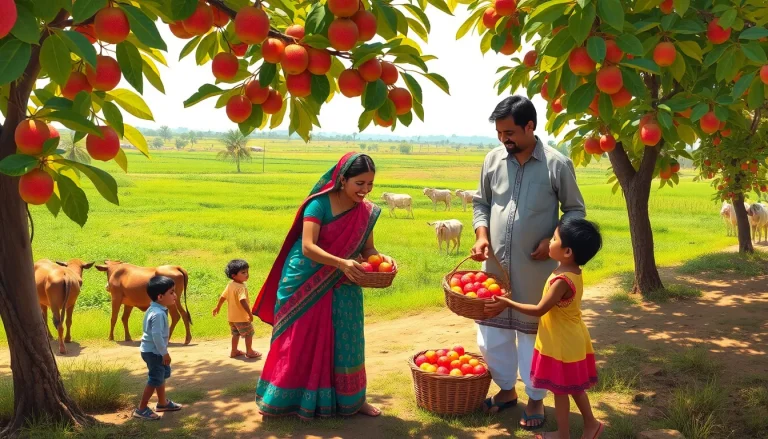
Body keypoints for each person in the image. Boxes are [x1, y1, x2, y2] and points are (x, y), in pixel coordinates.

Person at [471, 95, 586, 429]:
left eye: (509, 132)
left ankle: (535, 398)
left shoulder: (556, 164)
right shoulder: (492, 160)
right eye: (499, 132)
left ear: (530, 126)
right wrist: (481, 235)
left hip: (536, 271)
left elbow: (576, 211)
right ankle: (506, 391)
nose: (503, 139)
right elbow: (481, 203)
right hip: (493, 270)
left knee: (533, 339)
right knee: (491, 337)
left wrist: (551, 237)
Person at [252, 152, 392, 419]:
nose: (365, 190)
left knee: (348, 340)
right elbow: (308, 247)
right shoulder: (317, 206)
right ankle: (284, 399)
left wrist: (381, 259)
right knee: (299, 340)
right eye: (359, 183)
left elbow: (368, 248)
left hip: (345, 280)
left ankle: (353, 400)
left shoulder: (366, 212)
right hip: (305, 279)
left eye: (370, 184)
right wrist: (341, 263)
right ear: (342, 179)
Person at [484, 218, 604, 439]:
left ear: (567, 251)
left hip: (562, 342)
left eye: (555, 239)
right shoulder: (570, 270)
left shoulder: (562, 280)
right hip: (569, 338)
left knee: (561, 391)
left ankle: (564, 434)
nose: (550, 242)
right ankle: (590, 424)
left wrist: (507, 302)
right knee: (574, 387)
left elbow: (539, 309)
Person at [133, 275, 183, 420]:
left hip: (154, 351)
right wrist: (164, 353)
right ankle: (141, 408)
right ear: (160, 296)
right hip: (154, 353)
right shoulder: (158, 314)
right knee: (155, 379)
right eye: (172, 292)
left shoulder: (155, 309)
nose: (175, 295)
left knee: (161, 376)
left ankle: (162, 403)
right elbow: (156, 336)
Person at [212, 259, 262, 359]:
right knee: (249, 333)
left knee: (235, 334)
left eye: (247, 271)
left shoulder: (230, 285)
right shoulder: (240, 287)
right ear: (234, 275)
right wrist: (249, 313)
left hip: (232, 317)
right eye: (243, 272)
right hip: (242, 317)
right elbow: (242, 300)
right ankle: (250, 351)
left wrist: (217, 307)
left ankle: (234, 351)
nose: (247, 274)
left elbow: (223, 297)